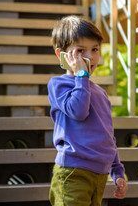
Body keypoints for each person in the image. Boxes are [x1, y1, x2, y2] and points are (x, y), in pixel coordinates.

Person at [48, 15, 128, 205]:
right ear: (62, 55)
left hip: (99, 175)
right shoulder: (59, 84)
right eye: (81, 51)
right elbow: (78, 110)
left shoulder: (100, 93)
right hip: (73, 172)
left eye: (95, 49)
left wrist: (117, 170)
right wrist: (81, 75)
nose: (90, 57)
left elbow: (107, 134)